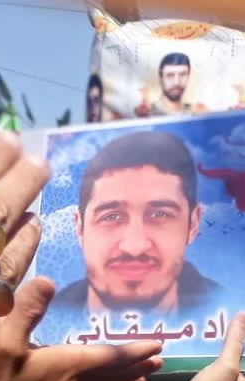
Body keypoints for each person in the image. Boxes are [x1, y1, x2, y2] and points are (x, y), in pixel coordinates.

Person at [57, 131, 221, 317]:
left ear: (193, 224)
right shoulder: (41, 318)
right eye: (111, 217)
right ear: (80, 229)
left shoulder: (236, 312)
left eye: (159, 214)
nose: (134, 247)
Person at [136, 52, 193, 117]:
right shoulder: (145, 115)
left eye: (183, 75)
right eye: (170, 75)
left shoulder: (195, 114)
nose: (177, 82)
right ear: (161, 77)